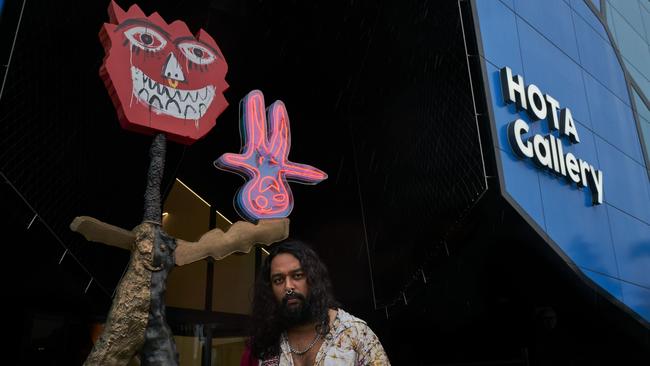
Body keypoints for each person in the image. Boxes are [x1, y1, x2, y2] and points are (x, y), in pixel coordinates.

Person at [241, 240, 390, 366]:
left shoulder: (355, 332)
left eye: (297, 275)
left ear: (313, 279)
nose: (288, 287)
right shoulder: (265, 341)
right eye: (278, 280)